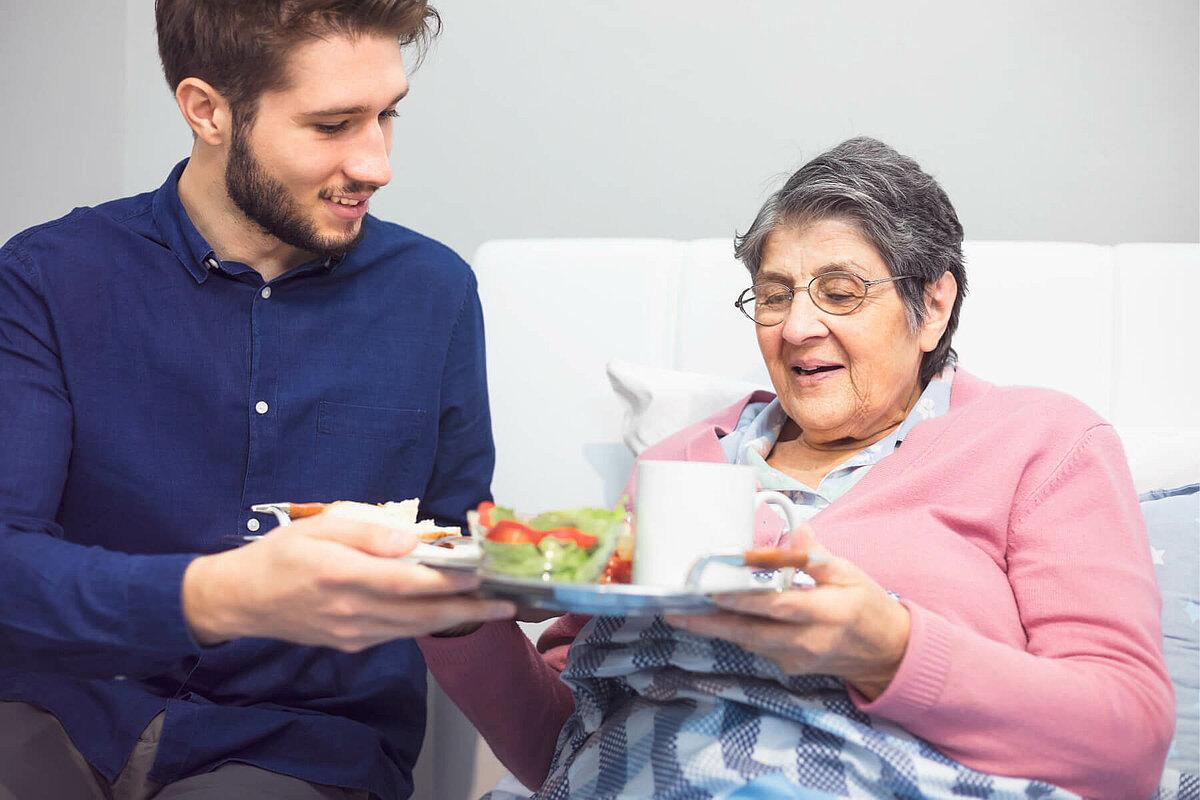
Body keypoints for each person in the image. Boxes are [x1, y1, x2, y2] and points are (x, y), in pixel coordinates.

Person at [420, 138, 1174, 799]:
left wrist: (891, 652)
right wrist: (460, 625)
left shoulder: (1042, 442)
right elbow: (566, 741)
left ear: (934, 305)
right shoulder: (679, 464)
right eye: (774, 296)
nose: (797, 327)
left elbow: (1127, 742)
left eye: (840, 293)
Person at [0, 1, 516, 798]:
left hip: (300, 743)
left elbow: (455, 543)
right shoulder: (47, 278)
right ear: (207, 110)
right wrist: (213, 595)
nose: (377, 163)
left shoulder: (433, 293)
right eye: (333, 124)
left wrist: (563, 587)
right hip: (61, 709)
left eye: (387, 117)